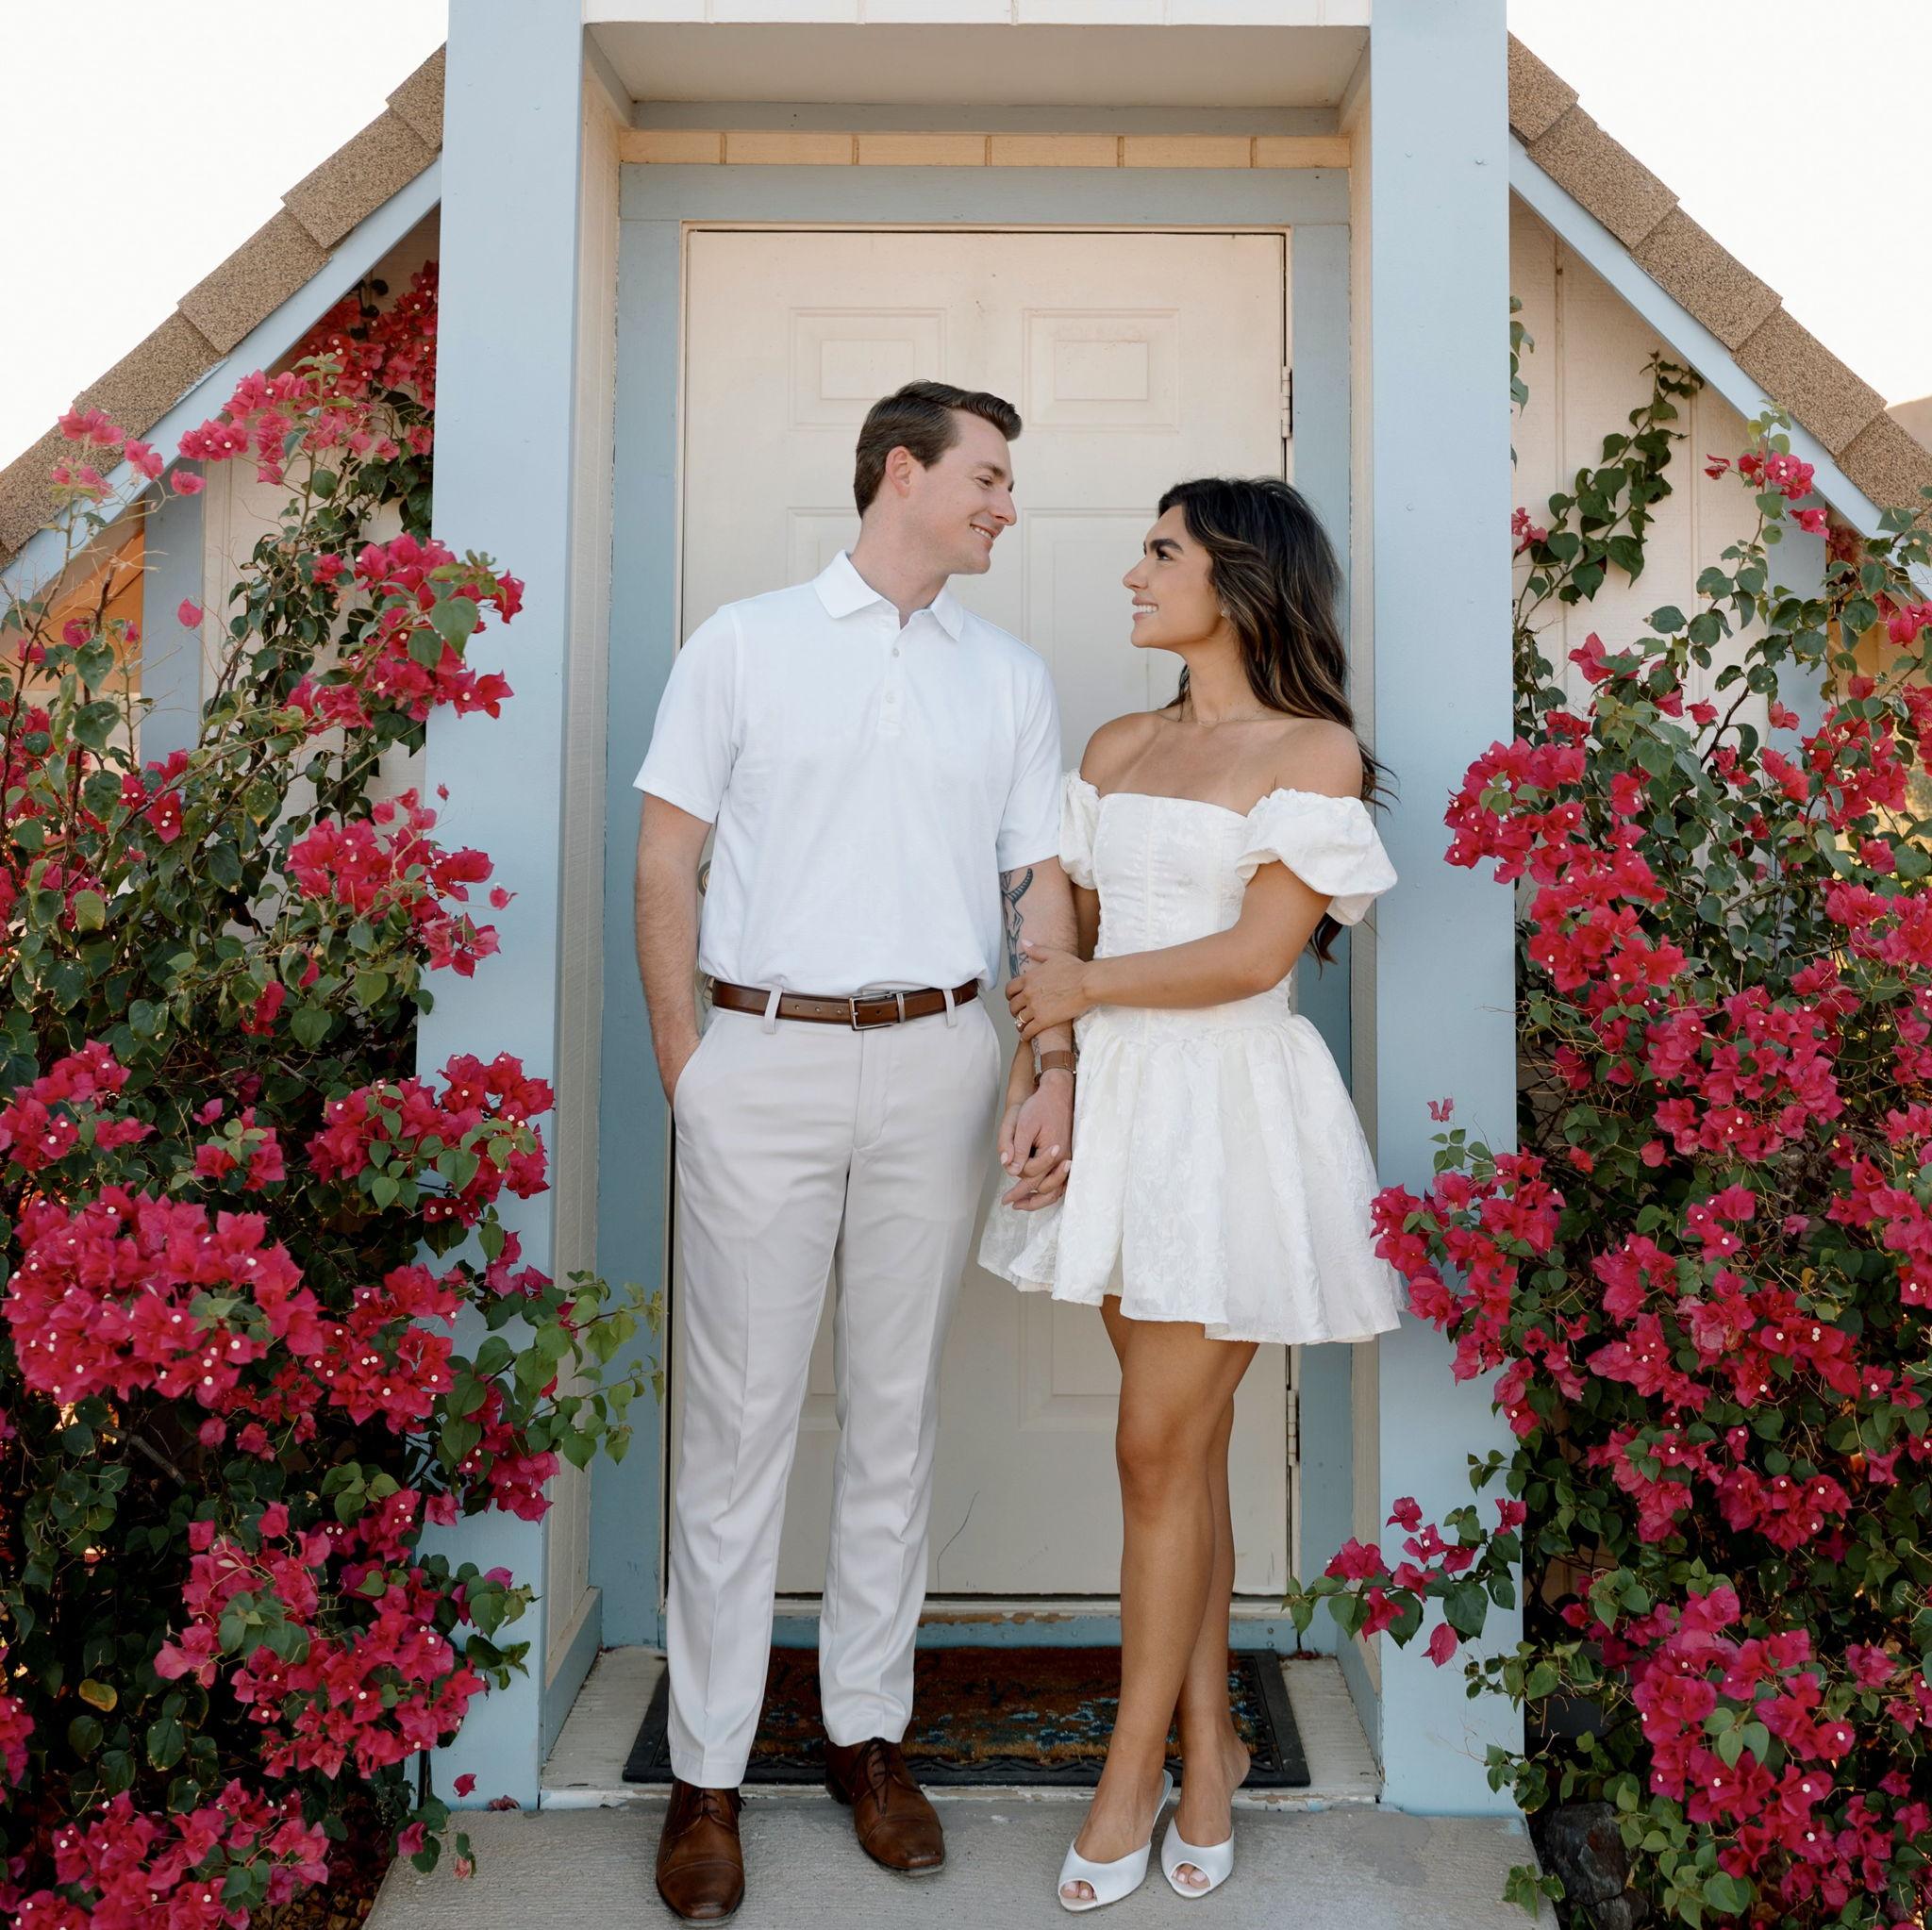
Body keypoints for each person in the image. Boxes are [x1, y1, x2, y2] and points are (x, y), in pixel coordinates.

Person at [633, 379, 1079, 1922]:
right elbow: (668, 856)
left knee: (895, 1411)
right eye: (988, 475)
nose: (1007, 503)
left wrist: (1051, 1061)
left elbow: (1037, 883)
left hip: (940, 1060)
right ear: (903, 472)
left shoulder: (1007, 675)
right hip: (760, 1059)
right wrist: (691, 1068)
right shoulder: (743, 643)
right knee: (738, 1421)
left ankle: (867, 1737)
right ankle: (705, 1771)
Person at [979, 475, 1406, 1911]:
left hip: (1230, 1116)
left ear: (1239, 576)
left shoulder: (1313, 752)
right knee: (1187, 1457)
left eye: (1161, 551)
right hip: (1120, 1112)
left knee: (1153, 1453)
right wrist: (1048, 1072)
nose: (1134, 574)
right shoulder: (1119, 743)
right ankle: (1212, 1751)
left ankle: (1130, 1774)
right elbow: (1064, 946)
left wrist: (1082, 992)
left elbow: (1253, 956)